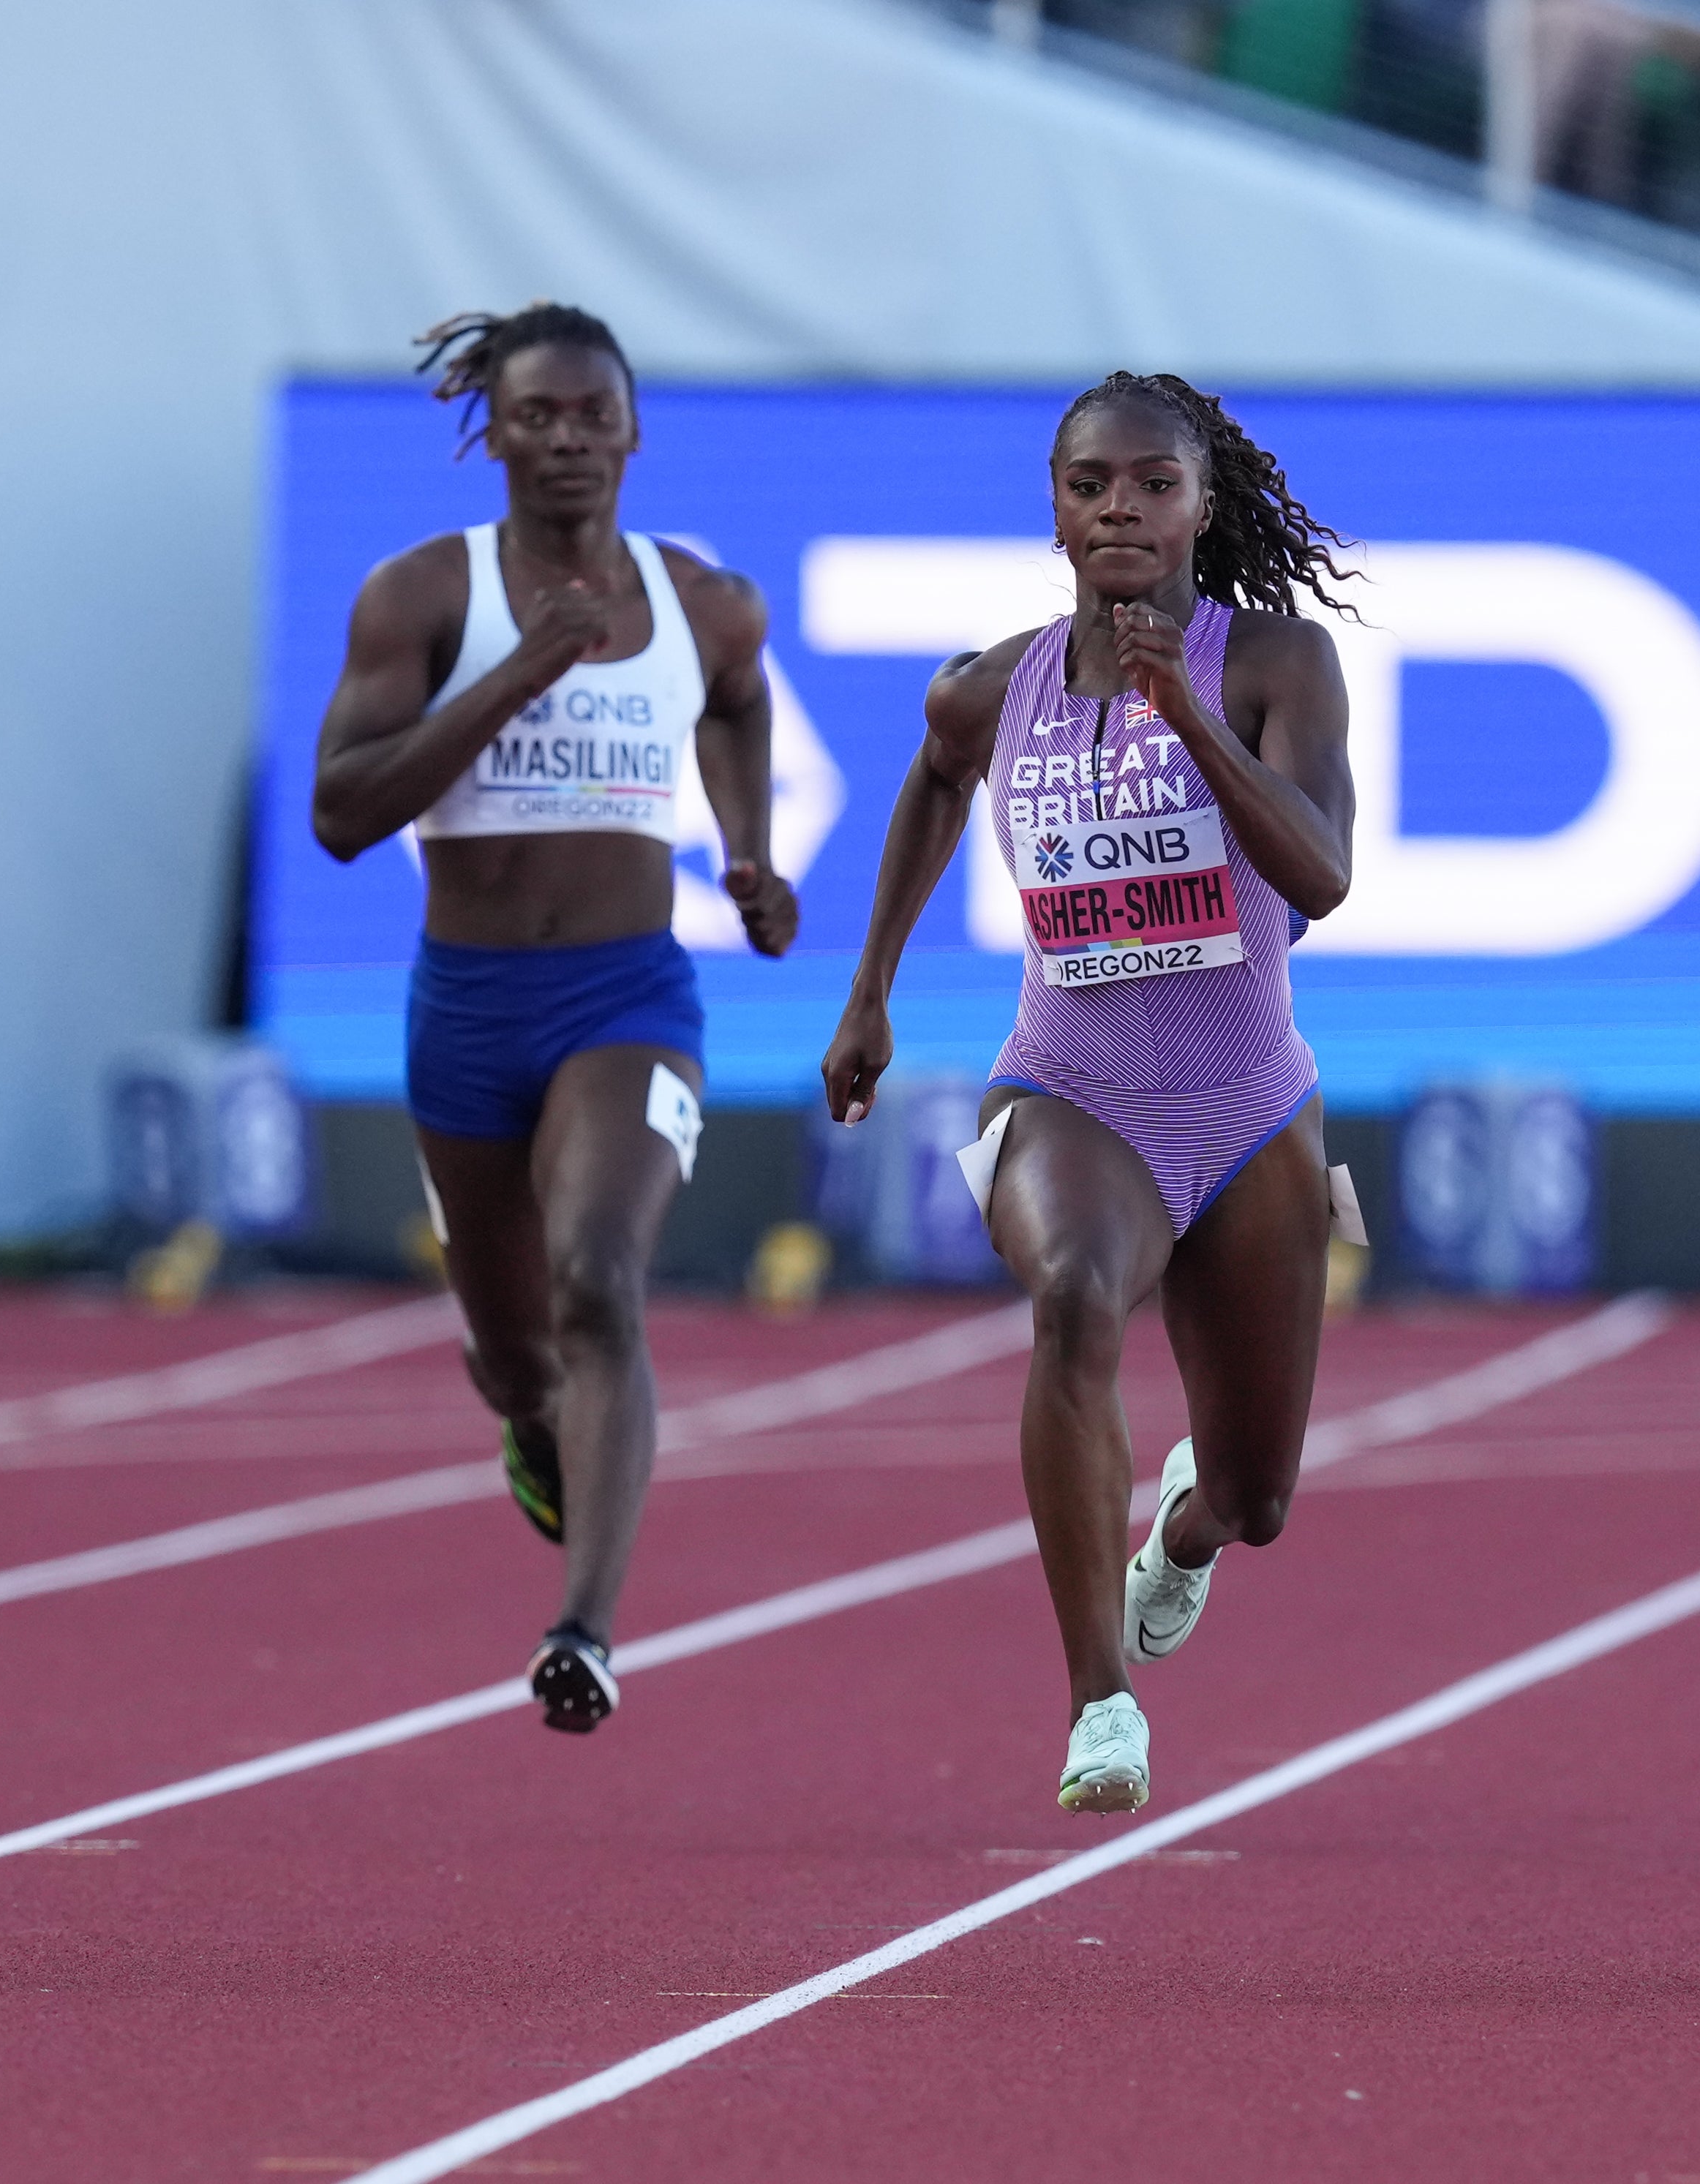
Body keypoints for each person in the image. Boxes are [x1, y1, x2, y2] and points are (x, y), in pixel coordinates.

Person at [819, 373, 1357, 1815]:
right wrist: (868, 989)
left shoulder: (1273, 666)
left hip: (1247, 1098)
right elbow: (934, 777)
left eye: (1149, 483)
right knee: (1072, 1298)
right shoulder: (992, 686)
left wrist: (1190, 715)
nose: (1118, 505)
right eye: (1087, 483)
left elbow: (1318, 876)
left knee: (1257, 1497)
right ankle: (1097, 1701)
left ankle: (1178, 1534)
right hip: (1068, 1082)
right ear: (1053, 505)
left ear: (1197, 504)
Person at [309, 304, 796, 1733]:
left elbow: (736, 705)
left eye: (595, 414)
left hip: (626, 994)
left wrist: (747, 851)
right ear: (493, 434)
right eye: (538, 416)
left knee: (599, 1275)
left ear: (633, 430)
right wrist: (529, 666)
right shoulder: (425, 598)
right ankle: (530, 1420)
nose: (569, 440)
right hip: (465, 1007)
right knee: (518, 1348)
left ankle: (582, 1626)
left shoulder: (703, 601)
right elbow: (344, 812)